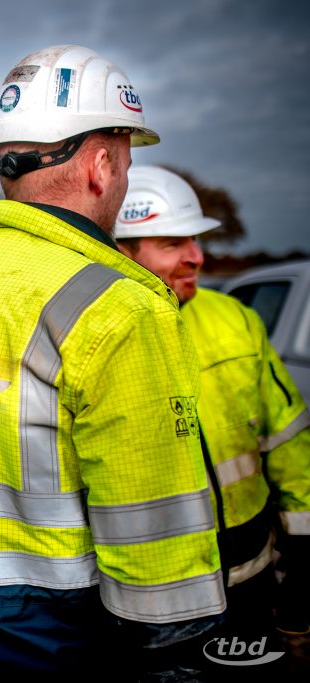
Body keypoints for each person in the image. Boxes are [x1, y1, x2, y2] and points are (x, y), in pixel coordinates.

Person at [0, 45, 226, 678]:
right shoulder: (119, 308)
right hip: (64, 635)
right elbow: (152, 526)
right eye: (123, 163)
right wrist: (175, 655)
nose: (120, 180)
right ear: (99, 167)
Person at [115, 165, 310, 648]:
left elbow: (287, 437)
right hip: (150, 604)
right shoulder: (91, 338)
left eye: (195, 241)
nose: (197, 257)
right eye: (172, 243)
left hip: (252, 581)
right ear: (122, 251)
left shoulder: (234, 319)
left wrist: (304, 553)